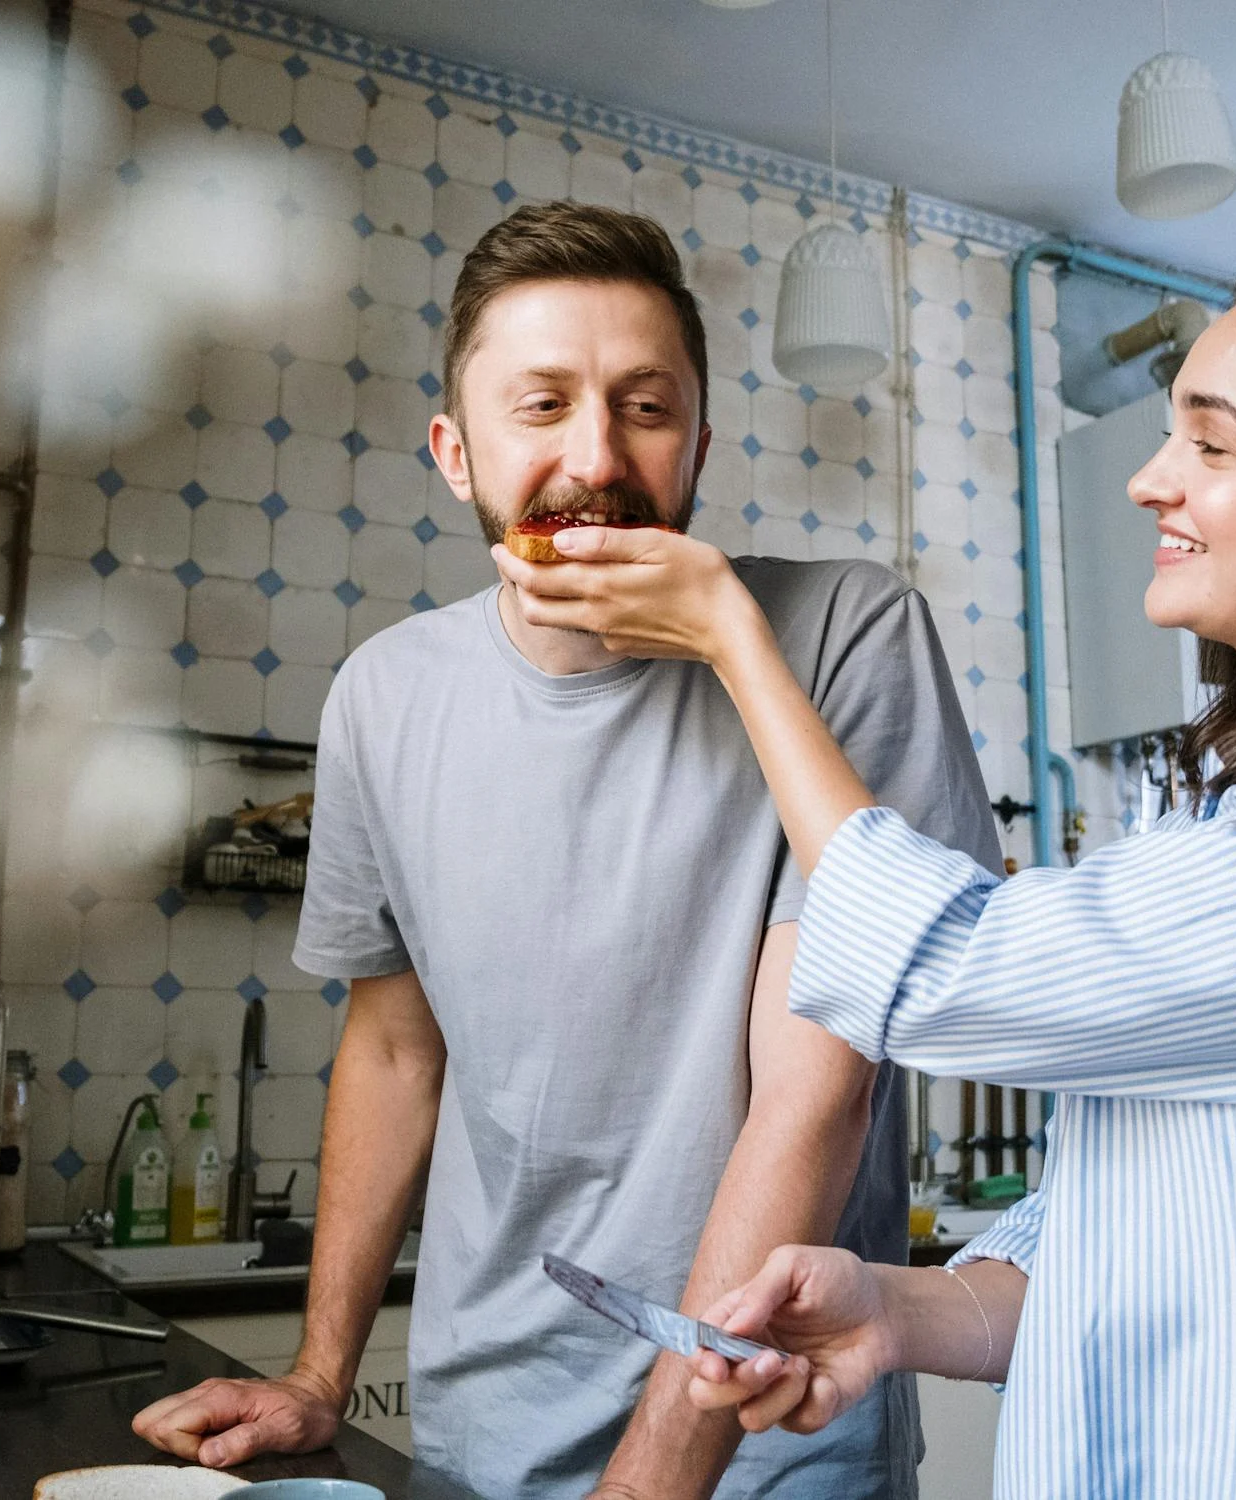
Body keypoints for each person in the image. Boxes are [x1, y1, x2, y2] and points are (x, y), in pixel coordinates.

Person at [498, 219, 1236, 1499]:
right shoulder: (1220, 810)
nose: (1154, 479)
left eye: (1212, 442)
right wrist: (888, 1308)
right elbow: (1113, 1240)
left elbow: (951, 975)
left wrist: (736, 642)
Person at [132, 202, 1000, 1498]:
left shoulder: (843, 637)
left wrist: (653, 1477)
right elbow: (389, 1045)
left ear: (699, 440)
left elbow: (814, 1096)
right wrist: (321, 1374)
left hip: (772, 1445)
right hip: (483, 1432)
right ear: (454, 450)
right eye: (539, 405)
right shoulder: (380, 696)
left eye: (644, 407)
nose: (595, 455)